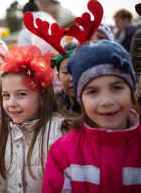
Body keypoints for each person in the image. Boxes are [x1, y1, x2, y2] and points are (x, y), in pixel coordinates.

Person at [42, 40, 141, 192]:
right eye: (93, 91)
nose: (107, 101)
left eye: (117, 87)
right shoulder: (63, 152)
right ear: (81, 99)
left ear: (131, 91)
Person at [0, 45, 70, 192]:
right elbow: (2, 185)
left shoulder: (59, 133)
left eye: (21, 94)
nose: (11, 103)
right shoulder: (5, 135)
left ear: (42, 97)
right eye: (6, 95)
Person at [55, 42, 81, 116]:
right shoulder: (55, 113)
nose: (72, 78)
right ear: (59, 77)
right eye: (66, 72)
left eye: (77, 70)